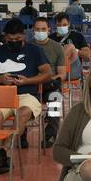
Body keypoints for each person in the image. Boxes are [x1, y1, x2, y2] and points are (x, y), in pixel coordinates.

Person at [0, 18, 53, 171]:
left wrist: (28, 81)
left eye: (17, 39)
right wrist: (1, 79)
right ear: (5, 37)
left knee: (23, 113)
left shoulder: (34, 50)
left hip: (28, 94)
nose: (14, 42)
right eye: (10, 39)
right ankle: (5, 158)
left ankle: (4, 153)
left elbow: (47, 74)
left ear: (24, 36)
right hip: (3, 96)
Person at [31, 16, 66, 146]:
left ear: (49, 29)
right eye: (37, 29)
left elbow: (62, 73)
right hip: (31, 86)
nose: (40, 32)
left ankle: (50, 135)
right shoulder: (28, 47)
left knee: (55, 100)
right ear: (33, 30)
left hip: (50, 86)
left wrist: (53, 79)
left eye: (43, 29)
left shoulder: (57, 48)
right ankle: (21, 135)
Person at [52, 11, 91, 83]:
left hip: (72, 69)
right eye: (59, 25)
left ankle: (58, 69)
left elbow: (87, 55)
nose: (61, 27)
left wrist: (75, 51)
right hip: (54, 69)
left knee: (70, 47)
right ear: (55, 25)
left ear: (69, 24)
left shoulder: (77, 36)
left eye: (64, 25)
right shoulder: (50, 38)